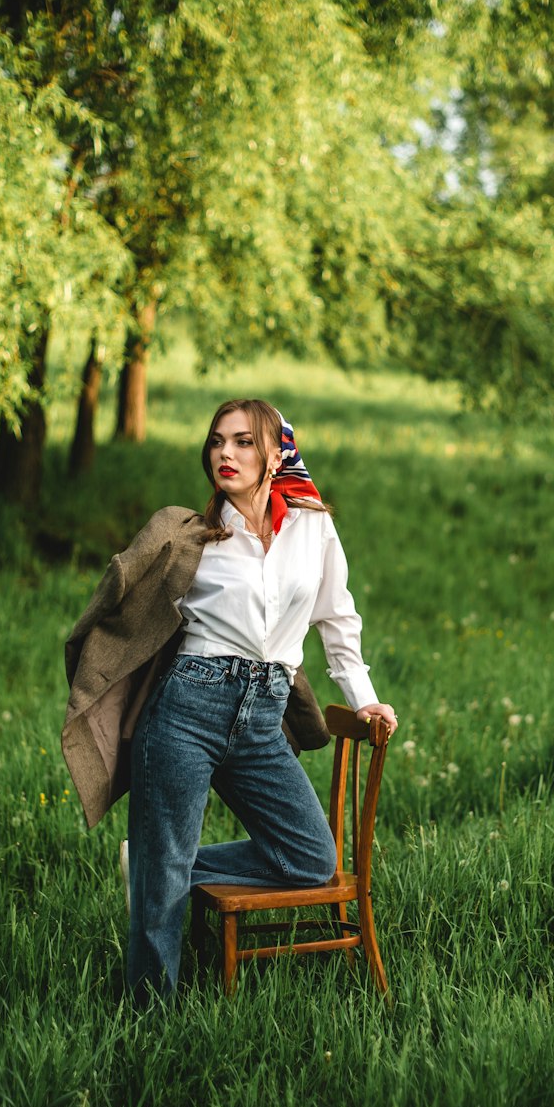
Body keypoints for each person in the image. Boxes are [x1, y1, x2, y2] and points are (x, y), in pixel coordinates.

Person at [61, 399, 396, 1001]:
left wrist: (363, 697)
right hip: (188, 708)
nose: (226, 453)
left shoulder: (312, 526)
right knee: (161, 889)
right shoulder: (191, 535)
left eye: (243, 442)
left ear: (275, 455)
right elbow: (121, 607)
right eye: (217, 441)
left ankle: (151, 859)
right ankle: (148, 1010)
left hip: (263, 717)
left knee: (310, 859)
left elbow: (336, 617)